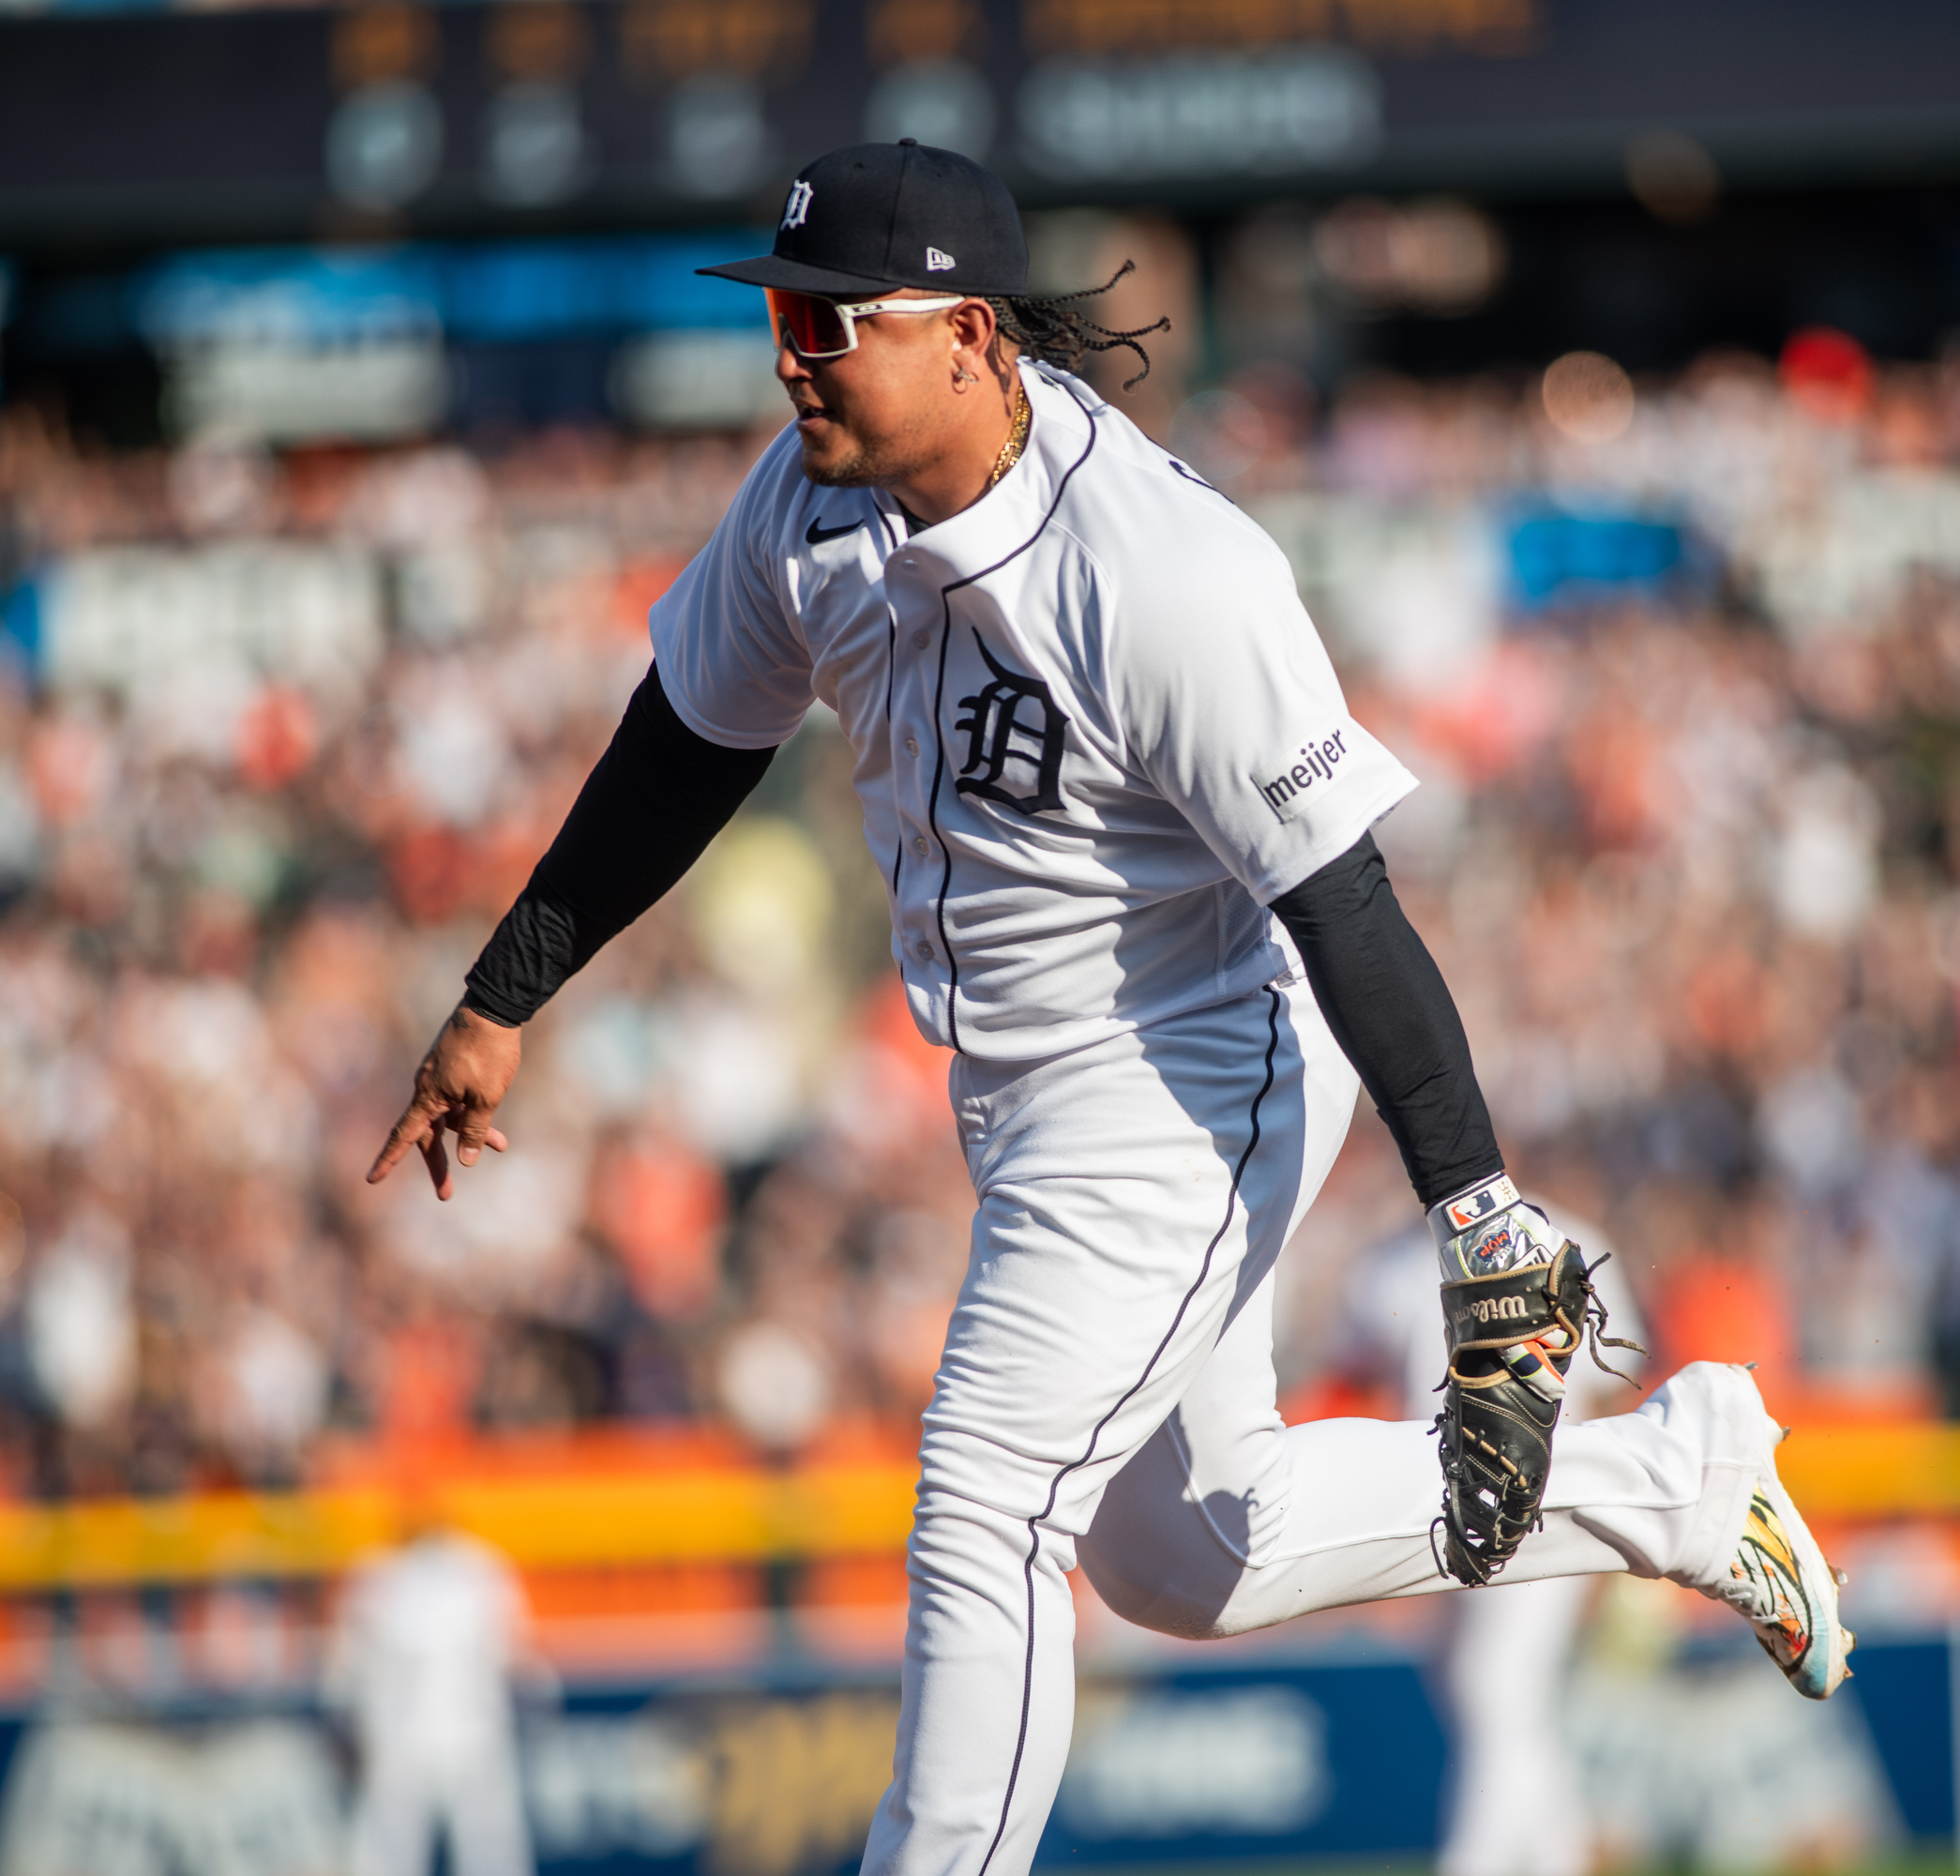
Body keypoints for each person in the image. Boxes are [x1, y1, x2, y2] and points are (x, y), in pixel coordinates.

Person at [368, 140, 1848, 1876]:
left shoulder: (1157, 573)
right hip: (1019, 1091)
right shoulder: (807, 503)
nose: (792, 351)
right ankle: (1666, 1483)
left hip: (1193, 1062)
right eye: (783, 312)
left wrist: (1480, 1211)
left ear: (973, 337)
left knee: (985, 1492)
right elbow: (689, 741)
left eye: (835, 323)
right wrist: (500, 995)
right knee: (1187, 1559)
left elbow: (1345, 900)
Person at [1344, 1199, 1643, 1876]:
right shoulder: (1387, 1261)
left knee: (1496, 1687)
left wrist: (1604, 1538)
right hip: (1430, 1502)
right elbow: (1353, 1379)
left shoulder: (1565, 1236)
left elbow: (1605, 1395)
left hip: (1544, 1496)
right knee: (1488, 1695)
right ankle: (1561, 1857)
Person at [326, 1504, 548, 1876]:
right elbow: (344, 1669)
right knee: (392, 1852)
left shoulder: (476, 1570)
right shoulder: (379, 1575)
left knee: (487, 1849)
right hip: (404, 1743)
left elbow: (517, 1655)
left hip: (467, 1737)